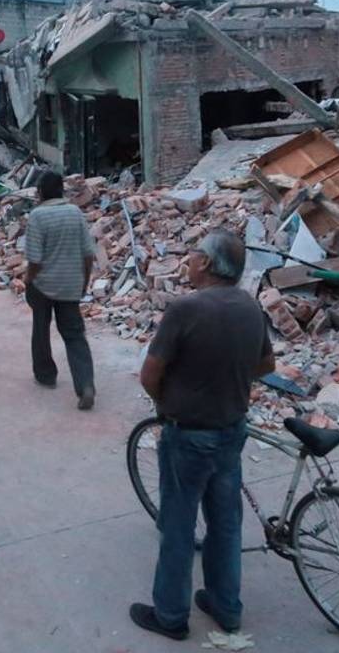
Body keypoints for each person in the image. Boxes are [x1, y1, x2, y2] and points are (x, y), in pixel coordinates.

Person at [129, 230, 276, 640]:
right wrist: (227, 377)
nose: (187, 261)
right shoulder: (250, 307)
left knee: (177, 526)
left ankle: (171, 616)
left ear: (207, 264)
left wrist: (169, 404)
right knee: (226, 523)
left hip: (188, 434)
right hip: (231, 430)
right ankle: (226, 607)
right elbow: (266, 365)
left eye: (192, 255)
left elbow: (149, 374)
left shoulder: (187, 309)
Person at [23, 170, 97, 410]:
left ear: (41, 192)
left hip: (43, 285)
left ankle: (46, 374)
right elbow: (88, 254)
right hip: (70, 284)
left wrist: (28, 280)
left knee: (40, 329)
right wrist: (84, 282)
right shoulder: (75, 213)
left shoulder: (37, 216)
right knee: (75, 335)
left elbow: (34, 260)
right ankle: (85, 385)